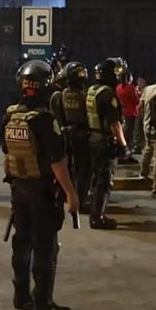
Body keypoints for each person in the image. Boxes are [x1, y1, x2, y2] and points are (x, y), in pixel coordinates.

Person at [3, 59, 79, 310]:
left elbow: (8, 153)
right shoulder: (45, 120)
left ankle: (21, 295)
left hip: (18, 188)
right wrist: (71, 193)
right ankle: (43, 304)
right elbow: (56, 161)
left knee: (21, 242)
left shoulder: (11, 115)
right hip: (42, 192)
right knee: (45, 247)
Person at [85, 58, 128, 229]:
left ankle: (95, 213)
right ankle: (98, 217)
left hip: (93, 139)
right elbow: (114, 123)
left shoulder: (92, 90)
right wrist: (123, 145)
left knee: (96, 179)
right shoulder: (108, 94)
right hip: (105, 141)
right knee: (105, 181)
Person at [58, 62, 92, 213]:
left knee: (68, 166)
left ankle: (67, 194)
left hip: (65, 133)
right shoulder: (85, 95)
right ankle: (81, 199)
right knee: (83, 169)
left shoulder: (61, 95)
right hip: (82, 134)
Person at [115, 71, 141, 164]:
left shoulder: (118, 88)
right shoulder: (131, 88)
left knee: (123, 134)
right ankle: (127, 155)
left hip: (121, 113)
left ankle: (122, 154)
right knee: (129, 135)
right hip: (131, 113)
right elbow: (136, 101)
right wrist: (138, 93)